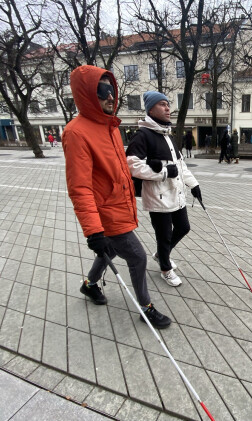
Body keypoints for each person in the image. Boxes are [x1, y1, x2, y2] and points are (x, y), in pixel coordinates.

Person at [62, 65, 171, 329]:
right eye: (102, 92)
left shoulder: (109, 126)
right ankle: (145, 308)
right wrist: (93, 231)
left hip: (119, 205)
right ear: (87, 95)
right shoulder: (77, 132)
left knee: (109, 249)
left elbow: (117, 168)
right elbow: (80, 187)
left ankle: (89, 285)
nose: (110, 97)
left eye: (111, 90)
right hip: (105, 213)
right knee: (137, 257)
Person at [125, 91, 202, 287]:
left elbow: (180, 165)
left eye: (168, 104)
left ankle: (161, 254)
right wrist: (163, 172)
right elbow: (131, 165)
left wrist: (194, 185)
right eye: (162, 104)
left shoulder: (167, 134)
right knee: (164, 235)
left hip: (176, 195)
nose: (167, 108)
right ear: (151, 109)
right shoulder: (142, 135)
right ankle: (165, 269)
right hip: (158, 198)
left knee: (183, 227)